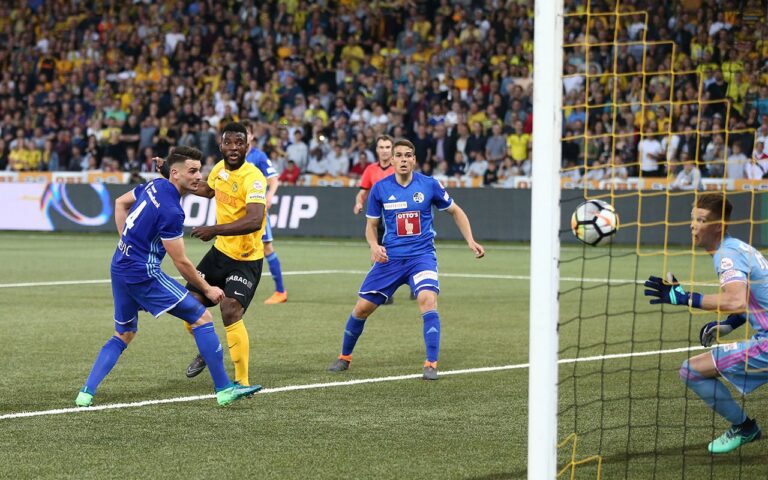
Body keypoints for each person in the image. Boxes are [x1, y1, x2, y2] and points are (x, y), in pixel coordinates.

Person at [75, 146, 261, 408]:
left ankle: (86, 393)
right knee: (203, 317)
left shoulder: (154, 186)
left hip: (119, 265)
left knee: (124, 333)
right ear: (175, 173)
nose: (199, 177)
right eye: (192, 171)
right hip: (144, 274)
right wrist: (208, 289)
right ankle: (224, 389)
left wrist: (126, 241)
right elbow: (181, 261)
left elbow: (120, 203)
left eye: (199, 170)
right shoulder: (172, 211)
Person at [328, 139, 485, 380]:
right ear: (391, 160)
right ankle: (344, 357)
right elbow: (371, 226)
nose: (403, 159)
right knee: (362, 308)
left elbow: (456, 211)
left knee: (427, 300)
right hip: (390, 259)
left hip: (421, 257)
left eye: (408, 155)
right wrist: (374, 246)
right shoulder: (379, 189)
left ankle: (431, 363)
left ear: (414, 160)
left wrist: (470, 240)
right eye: (399, 155)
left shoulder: (430, 185)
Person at [644, 193, 767, 454]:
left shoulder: (726, 254)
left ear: (718, 226)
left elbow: (736, 300)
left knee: (692, 371)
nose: (693, 225)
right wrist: (729, 324)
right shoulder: (739, 248)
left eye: (701, 220)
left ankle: (745, 428)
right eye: (693, 219)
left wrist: (686, 298)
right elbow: (754, 297)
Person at [157, 123, 267, 385]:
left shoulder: (253, 178)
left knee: (230, 309)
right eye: (228, 143)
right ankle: (209, 349)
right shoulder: (219, 169)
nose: (233, 148)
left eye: (239, 143)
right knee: (189, 307)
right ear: (220, 146)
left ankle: (242, 382)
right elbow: (207, 190)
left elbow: (254, 220)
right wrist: (168, 171)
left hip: (246, 258)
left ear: (247, 146)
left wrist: (214, 229)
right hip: (220, 253)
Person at [246, 126, 287, 304]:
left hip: (256, 210)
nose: (243, 137)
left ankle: (280, 291)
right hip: (238, 211)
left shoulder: (258, 156)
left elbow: (274, 180)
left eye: (246, 133)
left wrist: (269, 196)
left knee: (267, 247)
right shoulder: (233, 157)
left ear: (252, 136)